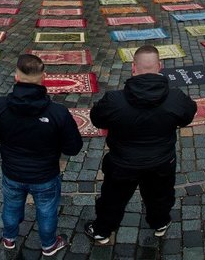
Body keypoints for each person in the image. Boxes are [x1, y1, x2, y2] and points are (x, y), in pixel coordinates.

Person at [84, 45, 197, 243]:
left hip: (122, 163)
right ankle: (160, 223)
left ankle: (102, 231)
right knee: (160, 196)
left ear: (133, 67)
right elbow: (187, 116)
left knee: (112, 199)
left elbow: (96, 119)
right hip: (162, 162)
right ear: (159, 66)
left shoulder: (114, 100)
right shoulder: (176, 98)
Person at [0, 54, 83, 256]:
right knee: (46, 212)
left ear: (16, 77)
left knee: (11, 206)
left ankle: (8, 238)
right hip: (45, 176)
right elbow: (73, 148)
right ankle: (49, 245)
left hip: (12, 173)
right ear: (43, 77)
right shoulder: (58, 112)